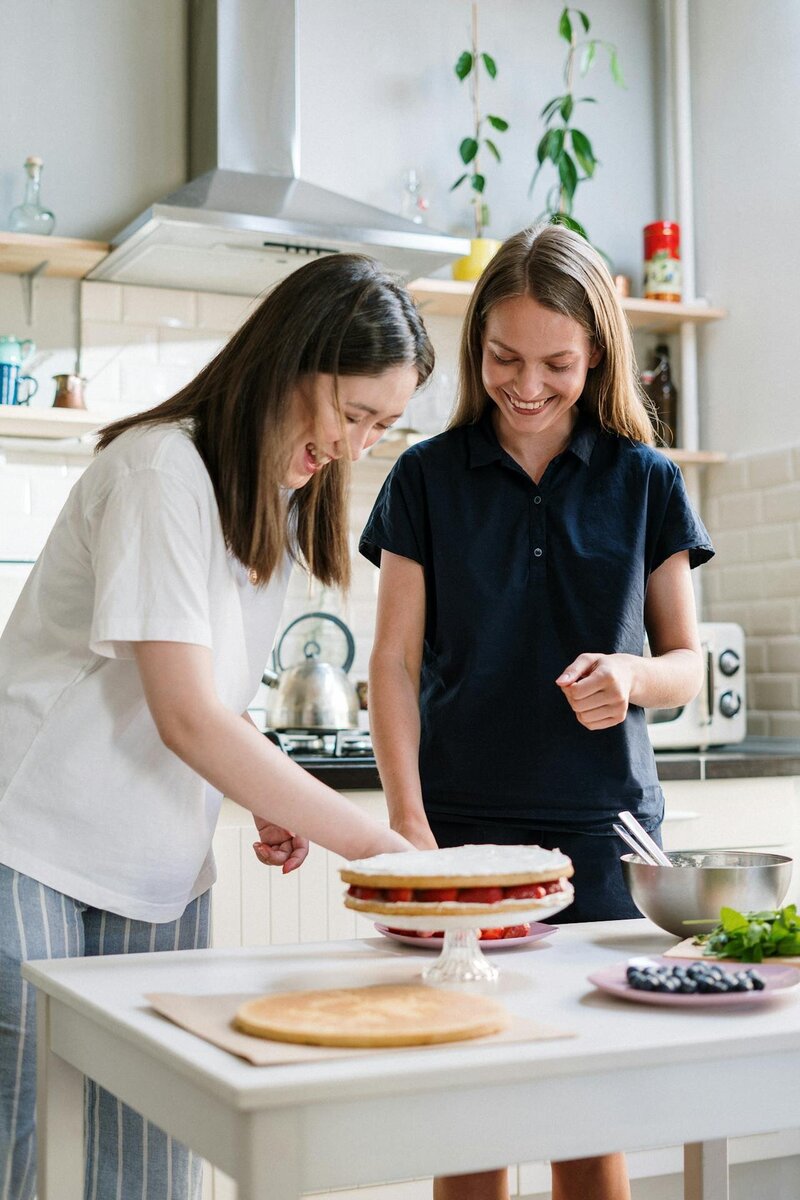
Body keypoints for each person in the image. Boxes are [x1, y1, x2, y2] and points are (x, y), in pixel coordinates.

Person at [0, 253, 433, 1200]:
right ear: (294, 359)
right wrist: (386, 851)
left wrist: (261, 781)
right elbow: (185, 715)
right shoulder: (163, 468)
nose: (358, 447)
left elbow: (210, 696)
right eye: (353, 415)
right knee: (18, 1145)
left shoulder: (271, 501)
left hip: (157, 871)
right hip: (28, 849)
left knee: (150, 1166)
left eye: (381, 428)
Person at [360, 224, 714, 1200]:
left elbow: (683, 664)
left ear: (594, 351)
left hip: (604, 842)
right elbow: (389, 664)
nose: (527, 385)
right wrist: (406, 823)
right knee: (467, 1107)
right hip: (460, 836)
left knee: (584, 1111)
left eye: (555, 362)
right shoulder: (425, 477)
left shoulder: (643, 480)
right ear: (474, 350)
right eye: (503, 358)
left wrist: (634, 678)